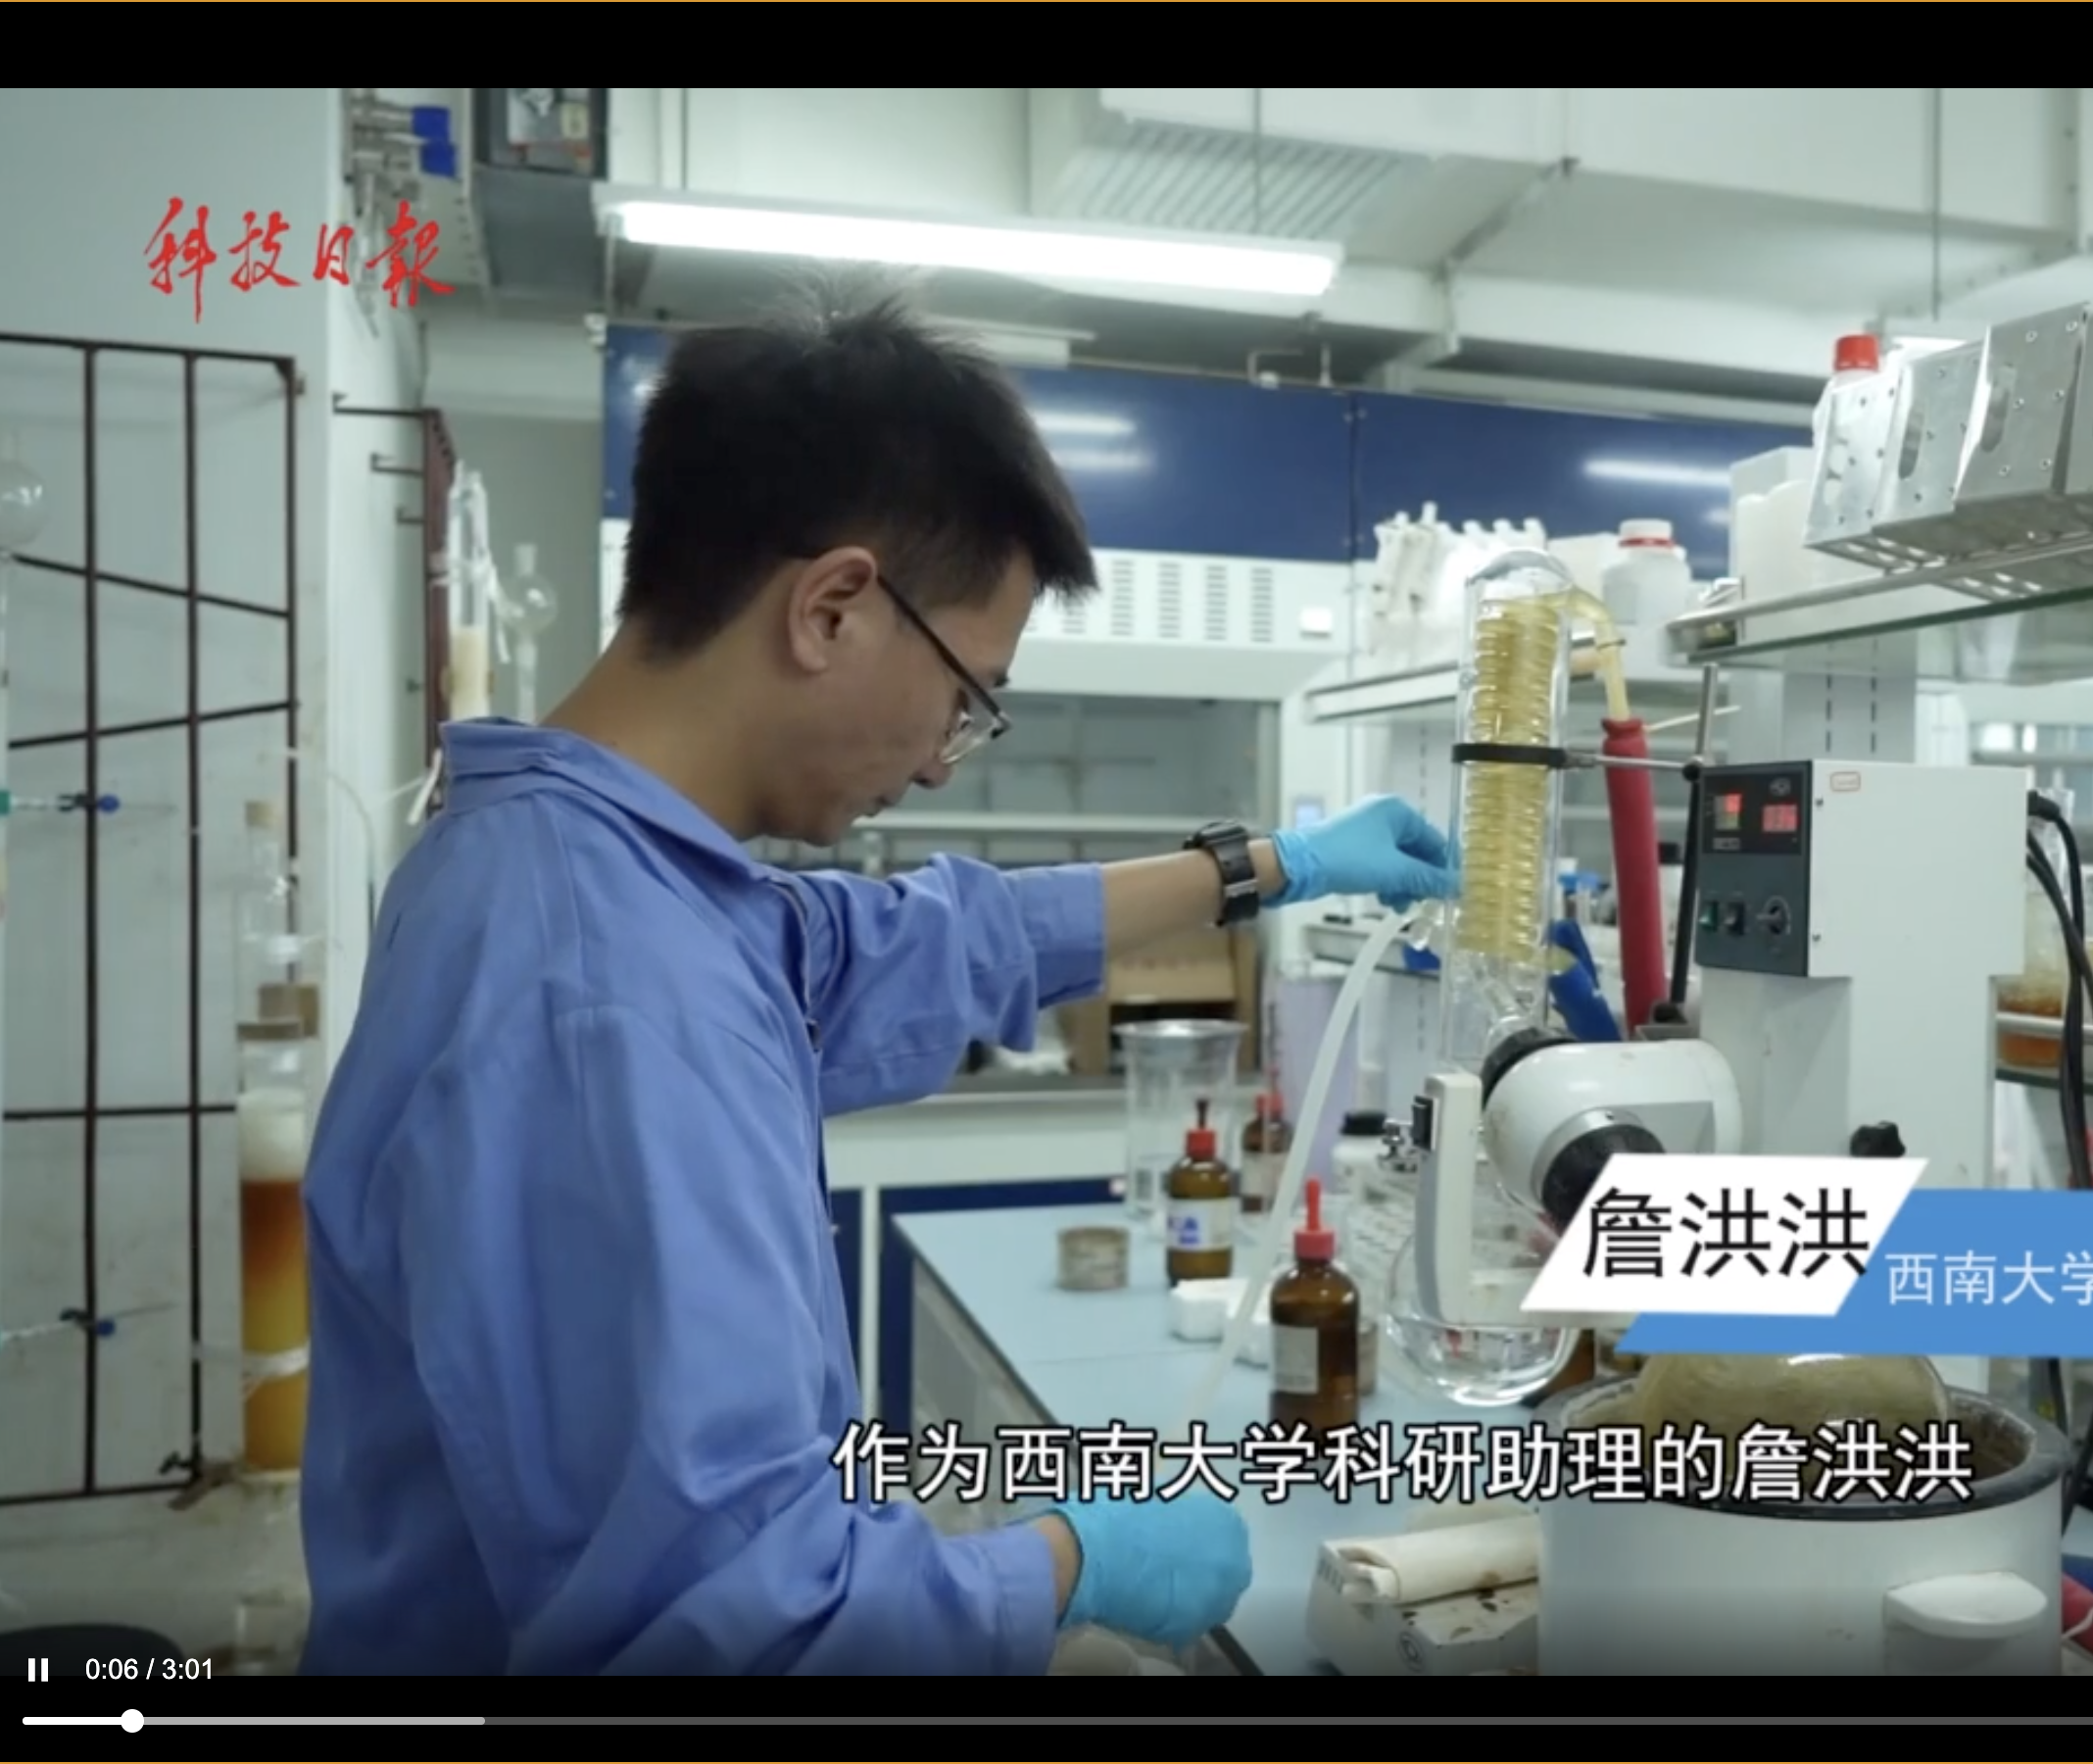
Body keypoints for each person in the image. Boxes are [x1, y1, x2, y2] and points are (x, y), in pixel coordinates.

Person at [295, 298, 1457, 1676]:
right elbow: (742, 1631)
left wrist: (1267, 866)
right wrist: (1071, 1560)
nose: (939, 761)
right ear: (833, 608)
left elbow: (922, 943)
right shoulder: (604, 994)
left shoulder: (590, 873)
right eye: (966, 696)